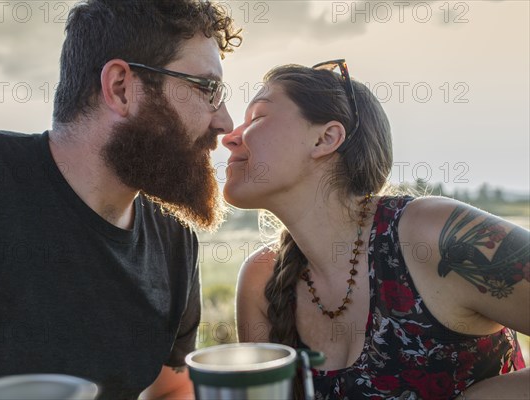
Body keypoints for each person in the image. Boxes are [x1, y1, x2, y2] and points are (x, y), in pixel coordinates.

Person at [0, 1, 241, 399]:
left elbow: (170, 390)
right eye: (207, 89)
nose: (226, 122)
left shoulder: (174, 240)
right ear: (120, 88)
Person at [223, 61, 529, 399]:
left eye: (258, 118)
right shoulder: (261, 281)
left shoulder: (433, 234)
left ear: (326, 138)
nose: (229, 138)